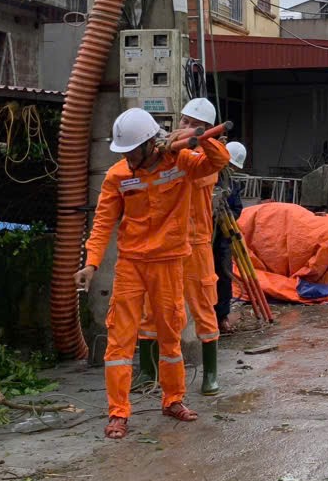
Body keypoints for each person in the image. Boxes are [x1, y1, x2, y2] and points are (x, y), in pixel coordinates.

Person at [75, 107, 230, 439]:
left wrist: (196, 141)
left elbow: (216, 163)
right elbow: (102, 223)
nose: (128, 156)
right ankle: (118, 412)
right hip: (131, 265)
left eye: (132, 150)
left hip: (170, 262)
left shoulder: (180, 164)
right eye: (124, 151)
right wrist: (91, 262)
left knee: (170, 335)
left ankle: (173, 400)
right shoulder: (118, 176)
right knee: (119, 339)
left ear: (149, 144)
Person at [178, 98, 229, 395]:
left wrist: (199, 141)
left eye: (190, 123)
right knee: (152, 310)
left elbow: (215, 162)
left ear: (206, 130)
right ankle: (149, 372)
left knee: (202, 307)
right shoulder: (174, 152)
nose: (183, 127)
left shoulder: (205, 159)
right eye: (182, 121)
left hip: (196, 243)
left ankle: (210, 374)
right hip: (168, 242)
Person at [211, 141, 247, 334]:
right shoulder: (206, 175)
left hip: (223, 236)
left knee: (223, 276)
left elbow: (237, 209)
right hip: (203, 236)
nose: (229, 170)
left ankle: (221, 316)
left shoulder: (232, 184)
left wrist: (225, 219)